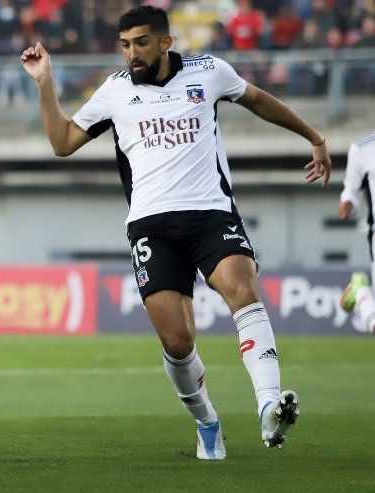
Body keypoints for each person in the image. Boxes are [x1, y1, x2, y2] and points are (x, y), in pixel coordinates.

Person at [21, 5, 331, 460]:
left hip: (211, 215)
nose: (132, 53)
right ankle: (207, 422)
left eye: (141, 42)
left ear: (166, 42)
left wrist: (315, 137)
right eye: (125, 45)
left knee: (242, 290)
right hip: (151, 226)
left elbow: (259, 100)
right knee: (177, 341)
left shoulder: (209, 71)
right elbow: (62, 142)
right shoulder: (115, 91)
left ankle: (268, 404)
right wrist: (44, 82)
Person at [338, 130, 375, 334]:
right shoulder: (363, 149)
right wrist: (347, 204)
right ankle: (360, 290)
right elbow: (351, 191)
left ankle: (361, 294)